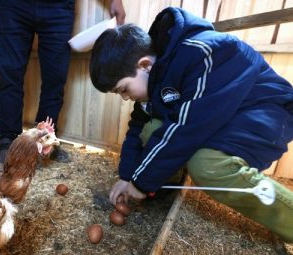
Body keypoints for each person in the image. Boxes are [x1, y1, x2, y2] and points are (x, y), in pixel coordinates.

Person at [89, 7, 293, 242]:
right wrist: (127, 176)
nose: (126, 97)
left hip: (265, 112)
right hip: (223, 115)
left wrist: (141, 182)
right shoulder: (157, 78)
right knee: (150, 128)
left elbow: (186, 128)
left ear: (145, 65)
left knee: (206, 165)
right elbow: (137, 128)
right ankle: (165, 184)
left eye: (124, 89)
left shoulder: (202, 54)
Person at [0, 0, 126, 167]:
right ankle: (7, 143)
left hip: (59, 7)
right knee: (9, 77)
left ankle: (44, 142)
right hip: (13, 5)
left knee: (55, 80)